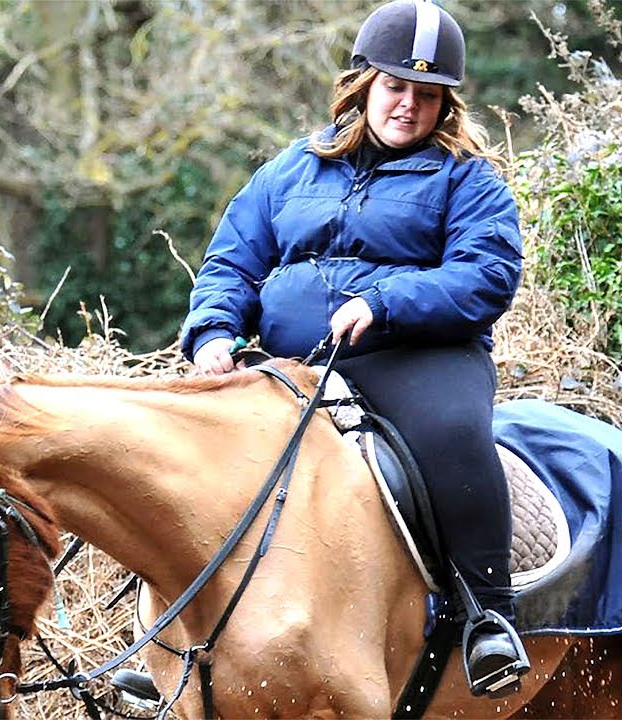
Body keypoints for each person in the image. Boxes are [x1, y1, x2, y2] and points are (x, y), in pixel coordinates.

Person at [179, 0, 527, 698]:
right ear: (363, 83)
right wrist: (215, 332)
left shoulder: (466, 178)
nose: (409, 106)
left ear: (445, 103)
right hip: (290, 360)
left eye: (428, 95)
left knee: (456, 435)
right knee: (188, 453)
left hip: (419, 358)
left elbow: (487, 274)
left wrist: (387, 303)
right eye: (397, 87)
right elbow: (232, 263)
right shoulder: (292, 168)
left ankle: (489, 616)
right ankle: (170, 632)